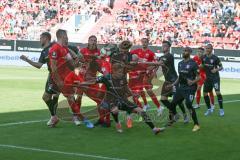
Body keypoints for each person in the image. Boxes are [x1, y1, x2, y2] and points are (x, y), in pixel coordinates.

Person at [76, 57, 165, 134]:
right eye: (120, 71)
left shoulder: (122, 78)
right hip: (111, 101)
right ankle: (118, 123)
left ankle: (154, 129)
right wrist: (81, 84)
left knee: (141, 111)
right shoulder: (107, 78)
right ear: (114, 71)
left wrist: (133, 94)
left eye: (122, 71)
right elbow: (92, 81)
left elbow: (126, 89)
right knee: (115, 110)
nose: (121, 73)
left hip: (123, 100)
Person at [48, 29, 93, 127]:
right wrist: (58, 80)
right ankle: (81, 119)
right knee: (67, 97)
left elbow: (73, 65)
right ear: (62, 36)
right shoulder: (55, 48)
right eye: (66, 37)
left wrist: (77, 60)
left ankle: (73, 117)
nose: (67, 39)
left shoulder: (65, 49)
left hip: (68, 76)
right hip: (61, 78)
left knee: (74, 94)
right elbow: (53, 66)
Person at [20, 32, 59, 127]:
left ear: (46, 38)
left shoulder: (56, 46)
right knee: (53, 96)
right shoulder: (44, 51)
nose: (40, 40)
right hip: (52, 75)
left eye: (41, 38)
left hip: (58, 75)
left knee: (47, 97)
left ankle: (54, 117)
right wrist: (27, 60)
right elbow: (39, 65)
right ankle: (54, 117)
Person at [130, 38, 163, 115]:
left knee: (149, 91)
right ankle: (146, 104)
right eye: (143, 42)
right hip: (139, 74)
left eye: (146, 42)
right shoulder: (137, 51)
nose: (144, 43)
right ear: (141, 42)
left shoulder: (150, 53)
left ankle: (159, 107)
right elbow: (129, 54)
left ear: (148, 43)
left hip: (146, 74)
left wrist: (151, 71)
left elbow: (156, 64)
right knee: (140, 90)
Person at [158, 41, 188, 125]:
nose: (163, 47)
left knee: (177, 101)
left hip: (173, 81)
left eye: (165, 46)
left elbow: (158, 63)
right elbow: (157, 64)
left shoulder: (169, 56)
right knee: (163, 99)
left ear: (169, 47)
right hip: (167, 81)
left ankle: (182, 116)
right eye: (162, 45)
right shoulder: (162, 57)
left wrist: (143, 63)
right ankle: (175, 115)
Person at [170, 47, 200, 132]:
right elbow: (180, 77)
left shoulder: (193, 63)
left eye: (186, 51)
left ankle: (196, 124)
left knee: (188, 104)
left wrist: (193, 82)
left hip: (190, 88)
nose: (184, 52)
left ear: (190, 52)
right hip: (181, 87)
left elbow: (199, 77)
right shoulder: (180, 63)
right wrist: (172, 84)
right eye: (183, 51)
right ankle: (172, 120)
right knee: (172, 104)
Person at [202, 44, 224, 116]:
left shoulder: (215, 58)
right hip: (207, 78)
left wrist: (216, 69)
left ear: (211, 49)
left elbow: (221, 67)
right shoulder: (203, 57)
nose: (207, 50)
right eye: (206, 48)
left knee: (217, 92)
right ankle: (209, 109)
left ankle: (221, 109)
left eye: (208, 48)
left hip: (215, 78)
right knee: (205, 93)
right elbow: (202, 66)